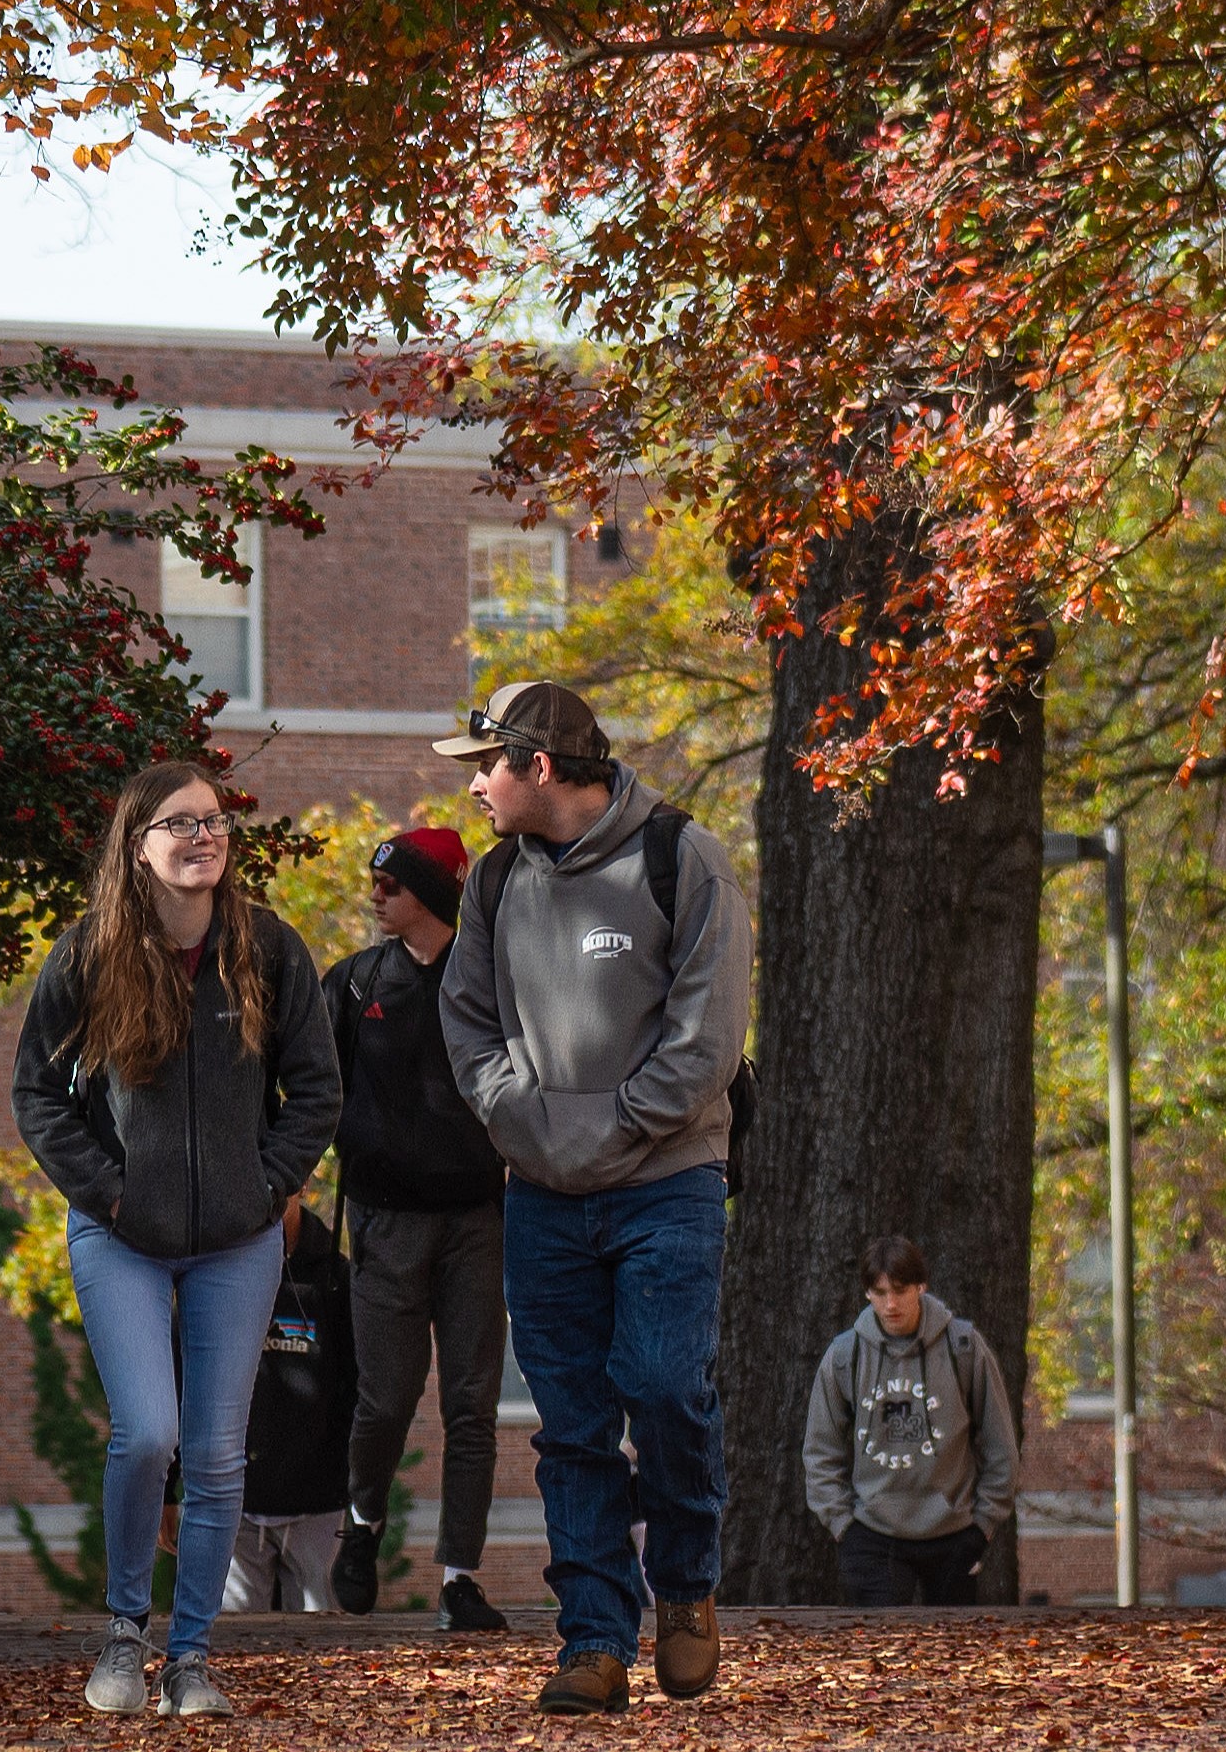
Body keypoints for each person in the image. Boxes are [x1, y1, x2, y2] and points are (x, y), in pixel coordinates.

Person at [436, 681, 750, 1716]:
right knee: (570, 1424)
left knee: (662, 1385)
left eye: (483, 765)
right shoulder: (492, 881)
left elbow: (705, 1045)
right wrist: (533, 1129)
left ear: (537, 766)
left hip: (668, 1183)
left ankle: (688, 1583)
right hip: (543, 1195)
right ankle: (594, 1637)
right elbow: (469, 1029)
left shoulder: (682, 858)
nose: (472, 785)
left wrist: (602, 1128)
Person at [12, 763, 340, 1719]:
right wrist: (109, 1192)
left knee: (218, 1451)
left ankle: (191, 1657)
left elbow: (316, 1087)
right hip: (122, 1233)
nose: (205, 835)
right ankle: (126, 1633)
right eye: (180, 822)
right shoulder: (89, 953)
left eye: (215, 820)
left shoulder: (269, 951)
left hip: (238, 1239)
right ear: (138, 843)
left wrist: (267, 1182)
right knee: (149, 1433)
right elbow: (37, 1093)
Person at [324, 824, 513, 1631]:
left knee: (471, 1406)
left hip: (479, 1219)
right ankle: (362, 1523)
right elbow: (309, 1089)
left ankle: (459, 1578)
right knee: (385, 1401)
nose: (376, 895)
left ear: (431, 894)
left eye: (391, 885)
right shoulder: (353, 981)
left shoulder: (492, 981)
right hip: (384, 1222)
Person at [801, 1236, 1020, 1607]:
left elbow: (1000, 1444)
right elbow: (820, 1450)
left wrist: (983, 1524)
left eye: (900, 1291)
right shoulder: (845, 1356)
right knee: (879, 1655)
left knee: (953, 1655)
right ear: (867, 1293)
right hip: (872, 1531)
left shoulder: (963, 1347)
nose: (890, 1303)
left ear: (921, 1286)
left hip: (953, 1530)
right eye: (879, 1291)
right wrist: (842, 1524)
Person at [223, 1200, 356, 1614]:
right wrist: (172, 1483)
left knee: (324, 1653)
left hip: (319, 1506)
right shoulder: (219, 1270)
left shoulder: (338, 1279)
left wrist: (360, 1490)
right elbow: (182, 1372)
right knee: (233, 1650)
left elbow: (359, 1391)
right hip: (234, 1499)